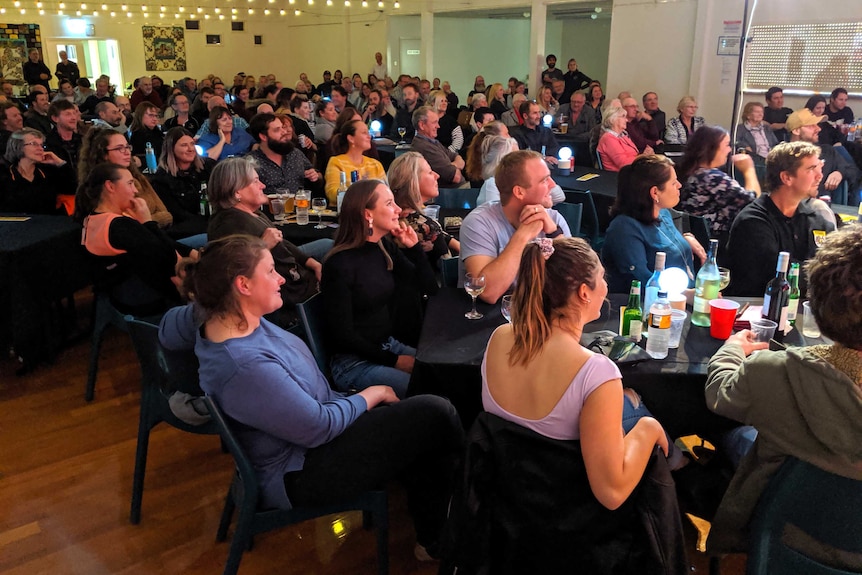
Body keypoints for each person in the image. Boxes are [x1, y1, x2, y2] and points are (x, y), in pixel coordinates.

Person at [158, 234, 462, 560]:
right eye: (271, 271)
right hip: (301, 469)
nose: (281, 279)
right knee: (435, 412)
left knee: (425, 421)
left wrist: (206, 303)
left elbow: (166, 329)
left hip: (319, 431)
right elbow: (317, 427)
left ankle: (440, 526)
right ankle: (445, 531)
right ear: (243, 285)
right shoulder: (244, 365)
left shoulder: (222, 316)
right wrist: (369, 395)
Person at [483, 235, 675, 511]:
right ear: (584, 292)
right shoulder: (596, 372)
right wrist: (649, 428)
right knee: (639, 416)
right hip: (569, 516)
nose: (606, 287)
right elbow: (611, 494)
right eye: (602, 278)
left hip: (505, 503)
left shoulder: (499, 337)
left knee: (627, 400)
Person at [704, 223, 862, 555]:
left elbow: (719, 394)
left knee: (732, 438)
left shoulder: (774, 372)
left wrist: (733, 348)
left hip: (781, 542)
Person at [321, 179, 438, 398]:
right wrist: (394, 361)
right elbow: (342, 335)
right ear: (368, 214)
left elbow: (429, 288)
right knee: (427, 387)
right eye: (389, 204)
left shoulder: (384, 247)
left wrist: (414, 249)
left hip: (386, 346)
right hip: (353, 364)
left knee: (444, 371)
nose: (397, 209)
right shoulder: (339, 264)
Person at [206, 157, 330, 329]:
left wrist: (313, 263)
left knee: (327, 246)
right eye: (256, 181)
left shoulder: (253, 213)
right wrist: (263, 245)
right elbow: (234, 268)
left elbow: (282, 242)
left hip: (293, 273)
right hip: (286, 289)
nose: (263, 186)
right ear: (237, 192)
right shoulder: (228, 224)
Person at [74, 162, 192, 316]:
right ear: (110, 186)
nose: (135, 190)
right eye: (130, 184)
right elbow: (168, 259)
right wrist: (148, 222)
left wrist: (192, 251)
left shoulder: (91, 219)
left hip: (120, 294)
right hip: (145, 299)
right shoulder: (121, 226)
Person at [725, 141, 835, 296]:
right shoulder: (752, 222)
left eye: (819, 168)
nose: (820, 176)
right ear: (786, 177)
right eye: (811, 169)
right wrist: (824, 273)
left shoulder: (816, 219)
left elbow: (835, 265)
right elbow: (778, 275)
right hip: (758, 310)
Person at [460, 150, 570, 303]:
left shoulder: (553, 219)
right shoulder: (478, 223)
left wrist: (554, 233)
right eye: (544, 180)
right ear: (519, 192)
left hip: (539, 312)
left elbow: (573, 280)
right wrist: (522, 236)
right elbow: (487, 292)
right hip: (492, 318)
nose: (553, 185)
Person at [602, 154, 701, 293]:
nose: (679, 185)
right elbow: (641, 281)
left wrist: (686, 237)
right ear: (655, 192)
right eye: (673, 183)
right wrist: (689, 295)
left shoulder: (663, 212)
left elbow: (667, 240)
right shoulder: (624, 229)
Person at [677, 125, 761, 239]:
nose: (730, 150)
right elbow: (754, 203)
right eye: (727, 145)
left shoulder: (692, 172)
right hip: (716, 240)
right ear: (711, 148)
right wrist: (749, 170)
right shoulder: (712, 178)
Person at [78, 128, 173, 228]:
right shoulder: (102, 188)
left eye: (127, 147)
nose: (127, 152)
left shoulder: (139, 178)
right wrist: (149, 221)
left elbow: (166, 215)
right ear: (104, 154)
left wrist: (147, 220)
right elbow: (126, 226)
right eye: (120, 148)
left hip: (160, 234)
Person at [388, 151, 460, 267]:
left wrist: (456, 244)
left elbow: (439, 234)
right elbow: (448, 266)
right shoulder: (421, 226)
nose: (437, 175)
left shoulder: (398, 215)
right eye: (430, 172)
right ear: (414, 182)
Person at [149, 127, 215, 239]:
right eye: (184, 145)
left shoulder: (208, 166)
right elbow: (177, 214)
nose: (190, 149)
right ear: (171, 149)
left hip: (213, 219)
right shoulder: (161, 179)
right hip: (186, 227)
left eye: (192, 144)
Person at [787, 108, 860, 198]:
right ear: (796, 131)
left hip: (823, 207)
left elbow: (854, 172)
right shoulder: (783, 156)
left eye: (817, 124)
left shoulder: (827, 151)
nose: (818, 128)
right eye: (811, 125)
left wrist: (840, 173)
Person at [0, 128, 73, 214]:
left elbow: (73, 188)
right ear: (19, 146)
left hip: (49, 224)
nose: (40, 148)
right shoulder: (4, 174)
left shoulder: (48, 172)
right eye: (34, 144)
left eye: (41, 145)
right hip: (14, 225)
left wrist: (60, 163)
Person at [323, 120, 386, 205]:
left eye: (368, 132)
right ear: (351, 138)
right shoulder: (336, 162)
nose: (369, 136)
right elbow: (332, 193)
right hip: (347, 213)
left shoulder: (375, 164)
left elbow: (385, 192)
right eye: (364, 133)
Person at [409, 106, 466, 188]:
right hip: (452, 193)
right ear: (421, 125)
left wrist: (451, 165)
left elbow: (455, 156)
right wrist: (455, 165)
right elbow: (456, 177)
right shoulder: (424, 147)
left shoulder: (432, 142)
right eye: (434, 122)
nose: (438, 126)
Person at [512, 100, 560, 165]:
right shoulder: (517, 135)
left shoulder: (546, 131)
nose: (539, 116)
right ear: (525, 116)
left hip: (549, 166)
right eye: (535, 113)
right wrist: (543, 158)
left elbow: (555, 149)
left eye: (539, 112)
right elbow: (521, 157)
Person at [596, 106, 641, 172]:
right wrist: (643, 157)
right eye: (623, 116)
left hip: (632, 171)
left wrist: (645, 155)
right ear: (612, 119)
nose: (626, 120)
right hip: (619, 175)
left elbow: (635, 154)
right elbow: (623, 163)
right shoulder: (608, 138)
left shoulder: (623, 136)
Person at [427, 90, 464, 155]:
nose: (444, 103)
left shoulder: (450, 120)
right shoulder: (426, 119)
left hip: (447, 154)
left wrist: (448, 152)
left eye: (446, 101)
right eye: (441, 101)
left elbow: (459, 139)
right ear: (433, 103)